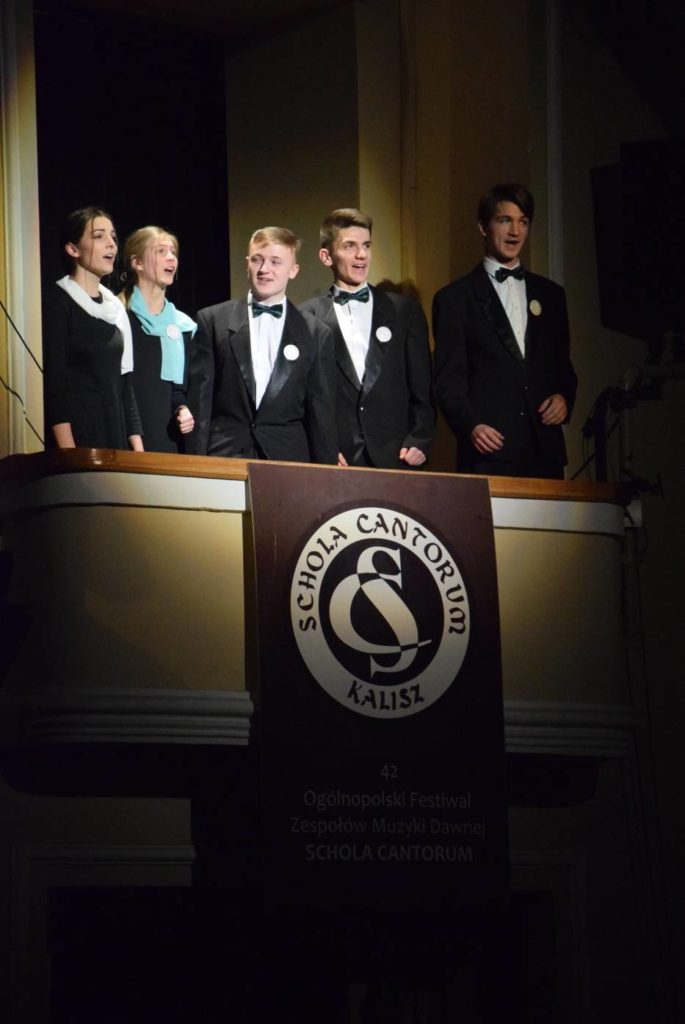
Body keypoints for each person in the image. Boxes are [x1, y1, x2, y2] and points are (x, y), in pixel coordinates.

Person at [432, 183, 577, 478]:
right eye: (505, 220)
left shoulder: (551, 295)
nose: (515, 231)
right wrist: (471, 425)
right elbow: (448, 381)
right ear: (483, 227)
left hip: (544, 451)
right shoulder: (455, 299)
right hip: (489, 451)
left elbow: (563, 367)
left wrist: (563, 398)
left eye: (523, 221)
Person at [185, 226, 337, 463]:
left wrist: (325, 475)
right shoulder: (213, 321)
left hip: (288, 461)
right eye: (257, 260)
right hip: (226, 456)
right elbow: (200, 404)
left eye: (275, 262)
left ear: (293, 270)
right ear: (247, 264)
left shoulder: (315, 333)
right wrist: (195, 466)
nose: (264, 269)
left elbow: (320, 414)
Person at [300, 208, 434, 469]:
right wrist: (323, 447)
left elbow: (422, 386)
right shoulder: (307, 316)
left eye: (366, 245)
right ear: (326, 256)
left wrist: (420, 439)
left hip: (398, 455)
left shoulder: (403, 310)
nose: (361, 254)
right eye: (349, 246)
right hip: (339, 461)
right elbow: (305, 395)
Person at [42, 206, 143, 450]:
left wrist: (138, 452)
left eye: (113, 236)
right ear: (73, 249)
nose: (111, 244)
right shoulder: (58, 301)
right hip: (81, 443)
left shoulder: (115, 309)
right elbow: (55, 388)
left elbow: (125, 388)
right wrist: (70, 456)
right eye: (98, 236)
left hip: (115, 441)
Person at [120, 226, 196, 452]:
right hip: (125, 438)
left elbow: (180, 391)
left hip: (169, 442)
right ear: (137, 263)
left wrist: (183, 409)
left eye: (173, 252)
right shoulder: (118, 317)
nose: (171, 258)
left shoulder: (184, 327)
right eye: (161, 251)